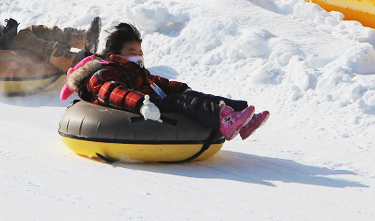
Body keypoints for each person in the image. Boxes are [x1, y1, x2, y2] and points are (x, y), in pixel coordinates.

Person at [65, 23, 269, 140]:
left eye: (140, 52)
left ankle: (243, 119)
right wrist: (141, 104)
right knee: (176, 101)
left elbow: (158, 83)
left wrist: (181, 87)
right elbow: (112, 91)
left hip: (152, 100)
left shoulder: (137, 71)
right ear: (116, 55)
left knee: (189, 96)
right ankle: (225, 121)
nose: (138, 55)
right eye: (132, 52)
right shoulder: (104, 74)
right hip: (145, 106)